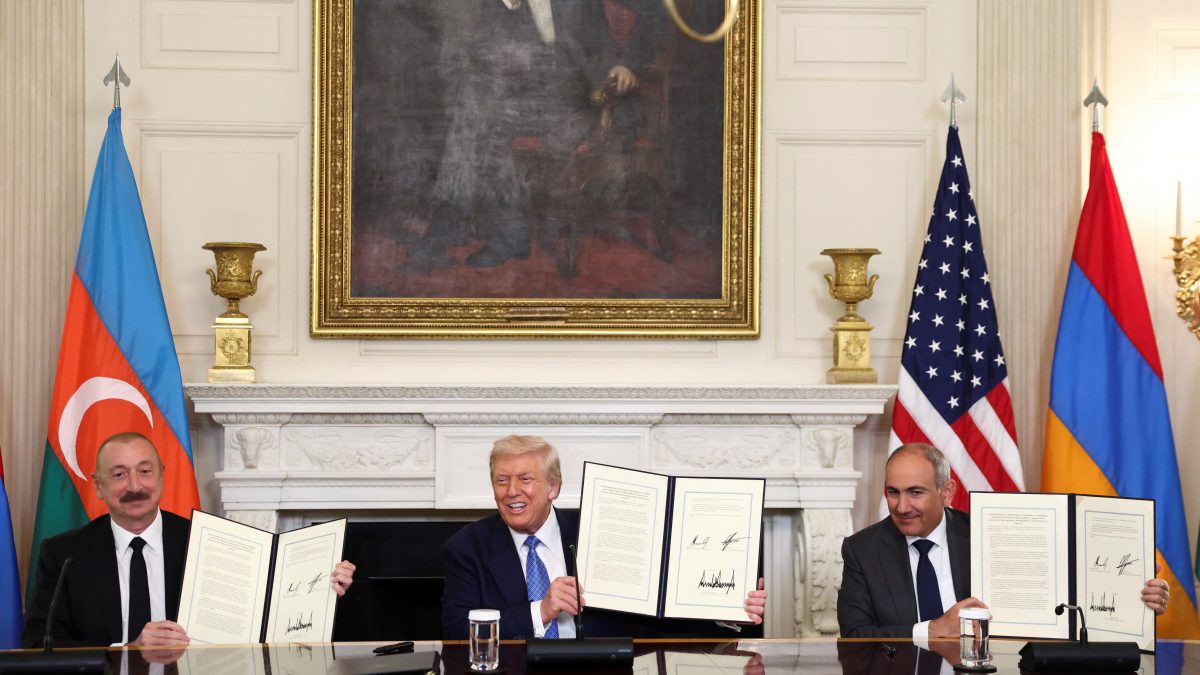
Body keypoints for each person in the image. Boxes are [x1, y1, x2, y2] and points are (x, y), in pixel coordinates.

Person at [22, 431, 358, 648]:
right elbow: (40, 646)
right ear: (98, 485)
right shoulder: (65, 555)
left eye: (145, 471)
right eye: (119, 474)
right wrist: (127, 651)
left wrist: (321, 586)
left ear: (162, 476)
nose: (135, 486)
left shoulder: (210, 542)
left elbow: (265, 617)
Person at [441, 434, 767, 639]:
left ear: (553, 487)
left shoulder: (604, 529)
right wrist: (541, 609)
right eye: (501, 480)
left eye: (525, 479)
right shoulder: (467, 548)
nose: (512, 491)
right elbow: (456, 632)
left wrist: (724, 611)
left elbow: (655, 617)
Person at [836, 442, 1171, 638]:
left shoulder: (991, 532)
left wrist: (1135, 603)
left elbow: (1067, 600)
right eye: (893, 492)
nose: (901, 506)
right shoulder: (862, 550)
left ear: (947, 492)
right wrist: (933, 630)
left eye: (916, 493)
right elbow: (854, 637)